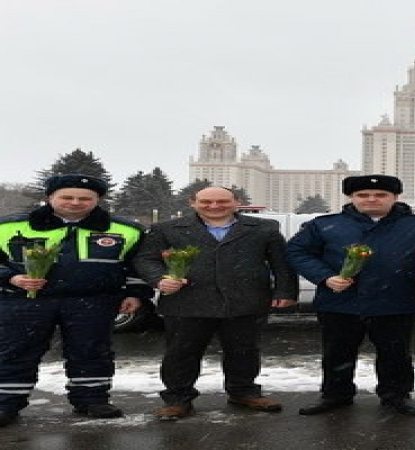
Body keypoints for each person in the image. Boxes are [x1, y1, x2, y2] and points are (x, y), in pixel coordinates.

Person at [286, 174, 415, 416]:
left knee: (395, 354)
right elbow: (297, 252)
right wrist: (325, 277)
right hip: (340, 301)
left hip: (396, 300)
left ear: (395, 197)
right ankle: (336, 395)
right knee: (337, 353)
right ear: (351, 197)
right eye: (363, 195)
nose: (371, 199)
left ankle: (396, 396)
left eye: (381, 194)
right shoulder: (325, 225)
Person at [133, 186, 298, 421]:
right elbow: (145, 259)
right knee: (181, 353)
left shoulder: (264, 228)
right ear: (192, 203)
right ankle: (178, 399)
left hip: (245, 300)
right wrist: (159, 279)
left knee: (244, 351)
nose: (214, 206)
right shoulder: (166, 229)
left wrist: (285, 291)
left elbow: (281, 262)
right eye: (206, 202)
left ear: (236, 202)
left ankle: (243, 392)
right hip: (187, 301)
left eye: (222, 201)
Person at [0, 174, 153, 427]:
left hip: (93, 301)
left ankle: (91, 400)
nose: (75, 202)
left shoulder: (127, 229)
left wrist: (135, 293)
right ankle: (6, 403)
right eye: (67, 197)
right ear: (50, 197)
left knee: (91, 351)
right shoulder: (8, 226)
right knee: (16, 351)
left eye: (85, 198)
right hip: (25, 302)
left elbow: (138, 265)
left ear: (97, 200)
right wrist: (11, 278)